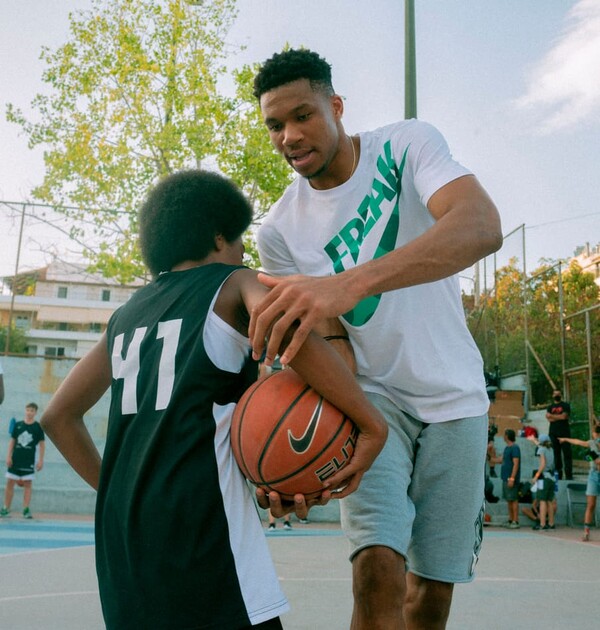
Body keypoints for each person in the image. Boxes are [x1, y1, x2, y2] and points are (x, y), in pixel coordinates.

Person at [40, 170, 387, 630]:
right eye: (239, 238)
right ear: (218, 235)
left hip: (122, 534)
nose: (244, 250)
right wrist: (370, 422)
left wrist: (119, 490)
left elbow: (57, 417)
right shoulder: (233, 282)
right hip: (198, 524)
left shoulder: (127, 315)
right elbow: (292, 331)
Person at [250, 49, 503, 629]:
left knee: (431, 596)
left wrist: (344, 284)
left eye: (303, 115)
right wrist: (312, 445)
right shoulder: (280, 233)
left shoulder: (405, 145)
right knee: (375, 572)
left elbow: (481, 224)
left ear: (336, 107)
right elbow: (329, 340)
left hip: (456, 400)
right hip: (374, 400)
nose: (289, 135)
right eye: (274, 124)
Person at [1, 402, 45, 519]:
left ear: (35, 412)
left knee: (28, 484)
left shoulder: (38, 427)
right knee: (10, 483)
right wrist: (8, 456)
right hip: (16, 459)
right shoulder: (18, 425)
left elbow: (42, 445)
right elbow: (12, 441)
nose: (29, 412)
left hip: (29, 460)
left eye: (32, 410)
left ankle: (25, 509)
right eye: (28, 410)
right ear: (25, 411)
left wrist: (40, 460)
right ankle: (6, 508)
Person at [559, 422, 600, 542]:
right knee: (590, 504)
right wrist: (566, 439)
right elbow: (579, 443)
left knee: (591, 505)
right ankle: (586, 531)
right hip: (593, 474)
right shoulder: (592, 443)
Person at [491, 429, 521, 528]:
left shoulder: (515, 448)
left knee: (514, 499)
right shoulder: (506, 448)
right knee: (509, 500)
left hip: (511, 478)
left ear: (508, 436)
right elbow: (501, 460)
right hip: (505, 478)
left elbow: (516, 463)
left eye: (505, 435)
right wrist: (490, 459)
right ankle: (510, 519)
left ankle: (515, 521)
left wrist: (512, 478)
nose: (503, 436)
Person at [529, 434, 556, 530]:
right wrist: (533, 440)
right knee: (549, 501)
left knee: (542, 501)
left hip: (543, 478)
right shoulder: (550, 450)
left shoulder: (541, 450)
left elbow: (542, 464)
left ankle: (542, 524)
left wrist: (536, 476)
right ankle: (551, 523)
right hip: (551, 478)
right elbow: (539, 445)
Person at [546, 389, 572, 480]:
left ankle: (569, 475)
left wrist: (552, 416)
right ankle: (559, 475)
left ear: (561, 395)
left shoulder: (565, 405)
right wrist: (559, 417)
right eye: (555, 394)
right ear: (553, 395)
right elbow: (549, 419)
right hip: (553, 433)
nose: (557, 395)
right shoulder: (550, 407)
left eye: (558, 394)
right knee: (556, 455)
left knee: (567, 454)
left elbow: (564, 416)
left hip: (564, 433)